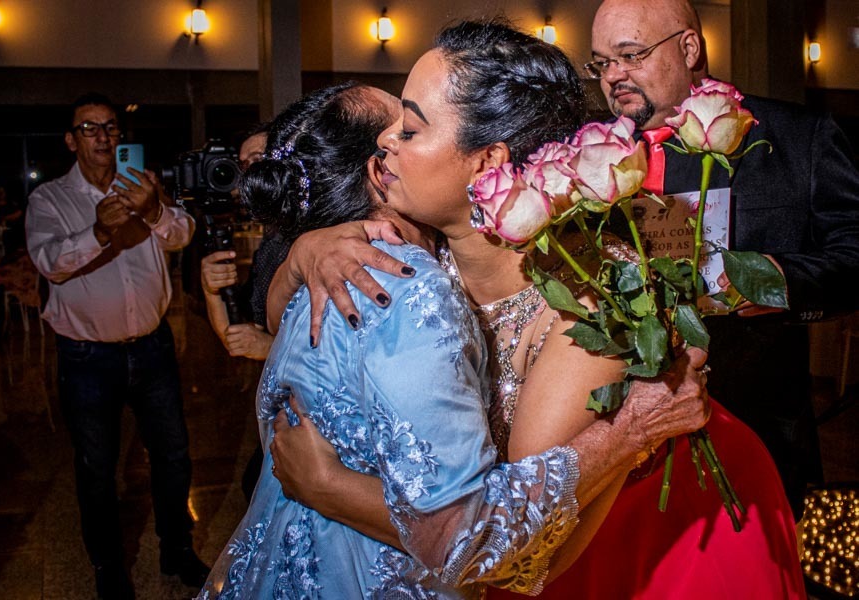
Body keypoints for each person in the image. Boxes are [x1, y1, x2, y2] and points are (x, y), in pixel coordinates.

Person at [267, 20, 805, 599]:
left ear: (487, 162)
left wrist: (330, 486)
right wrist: (305, 253)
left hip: (657, 547)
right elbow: (290, 326)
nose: (385, 140)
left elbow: (527, 562)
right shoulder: (416, 240)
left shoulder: (588, 310)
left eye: (411, 127)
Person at [199, 79, 710, 599]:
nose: (408, 138)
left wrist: (302, 251)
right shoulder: (409, 289)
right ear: (383, 169)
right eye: (405, 128)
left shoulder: (325, 275)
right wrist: (629, 431)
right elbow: (477, 541)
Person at [587, 0, 859, 520]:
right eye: (601, 62)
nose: (613, 76)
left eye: (630, 55)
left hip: (753, 434)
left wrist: (787, 280)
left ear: (688, 47)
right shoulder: (588, 155)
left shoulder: (797, 138)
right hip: (618, 450)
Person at [25, 93, 209, 599]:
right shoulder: (51, 201)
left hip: (152, 347)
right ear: (71, 140)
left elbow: (183, 234)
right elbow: (50, 262)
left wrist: (154, 213)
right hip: (87, 357)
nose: (103, 137)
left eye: (109, 128)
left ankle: (177, 550)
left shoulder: (142, 186)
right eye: (90, 128)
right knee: (96, 469)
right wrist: (99, 231)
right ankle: (109, 570)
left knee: (173, 456)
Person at [200, 123, 290, 500]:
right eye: (242, 164)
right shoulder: (273, 243)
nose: (246, 175)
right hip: (284, 414)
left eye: (257, 160)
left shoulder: (321, 236)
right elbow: (239, 338)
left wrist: (269, 347)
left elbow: (350, 350)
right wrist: (210, 289)